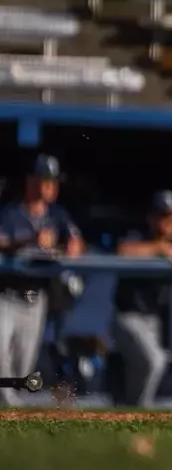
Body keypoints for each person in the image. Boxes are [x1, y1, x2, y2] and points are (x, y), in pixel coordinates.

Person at [0, 154, 83, 406]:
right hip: (7, 294)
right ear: (31, 181)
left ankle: (9, 407)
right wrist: (30, 240)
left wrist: (67, 246)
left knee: (21, 366)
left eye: (53, 181)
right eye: (45, 180)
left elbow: (77, 243)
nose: (50, 186)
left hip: (36, 297)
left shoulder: (58, 215)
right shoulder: (11, 212)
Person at [110, 190, 172, 408]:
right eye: (163, 216)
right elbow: (123, 250)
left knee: (150, 365)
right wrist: (159, 249)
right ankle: (137, 409)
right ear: (151, 217)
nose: (169, 223)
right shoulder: (138, 235)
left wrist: (170, 250)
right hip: (127, 317)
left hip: (153, 321)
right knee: (154, 361)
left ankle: (132, 409)